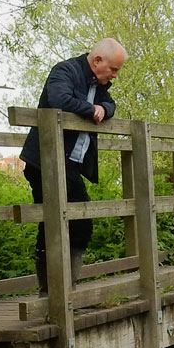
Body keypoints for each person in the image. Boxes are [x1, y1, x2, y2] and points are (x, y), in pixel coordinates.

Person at [19, 38, 126, 294]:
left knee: (71, 222)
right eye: (113, 69)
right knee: (58, 222)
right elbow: (59, 99)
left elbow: (110, 104)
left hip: (68, 164)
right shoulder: (65, 71)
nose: (115, 76)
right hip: (46, 161)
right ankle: (53, 290)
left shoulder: (98, 84)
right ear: (97, 60)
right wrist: (91, 110)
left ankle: (64, 287)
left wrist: (103, 109)